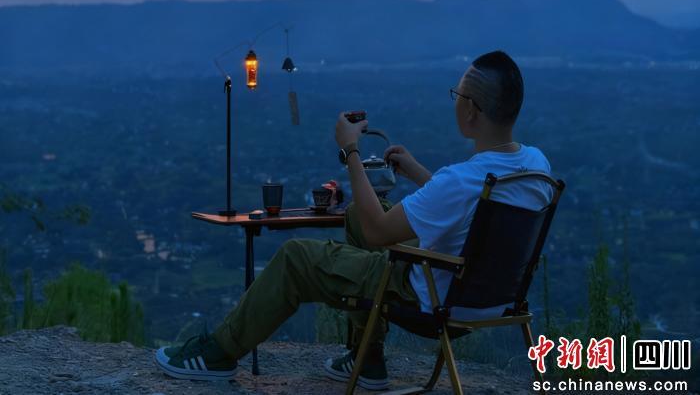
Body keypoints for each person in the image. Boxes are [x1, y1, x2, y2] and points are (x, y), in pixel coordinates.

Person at [154, 50, 553, 390]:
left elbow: (379, 233)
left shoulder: (460, 180)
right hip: (493, 300)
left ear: (470, 109)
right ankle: (367, 359)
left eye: (458, 95)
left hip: (430, 294)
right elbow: (474, 210)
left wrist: (351, 152)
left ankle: (218, 353)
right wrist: (418, 173)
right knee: (356, 217)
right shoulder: (535, 166)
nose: (456, 102)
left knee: (296, 257)